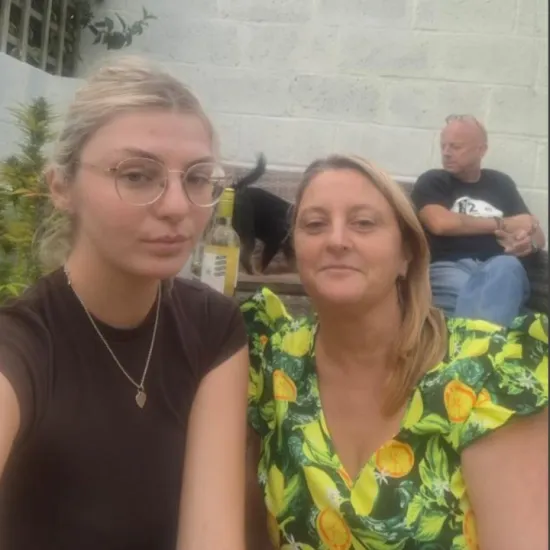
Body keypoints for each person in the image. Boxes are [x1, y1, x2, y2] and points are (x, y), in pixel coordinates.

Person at [0, 57, 248, 550]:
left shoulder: (212, 328)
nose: (177, 206)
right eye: (136, 175)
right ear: (61, 186)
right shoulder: (23, 345)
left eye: (197, 178)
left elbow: (211, 535)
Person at [242, 155, 548, 550]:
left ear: (407, 253)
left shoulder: (487, 370)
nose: (336, 240)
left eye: (364, 223)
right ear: (296, 248)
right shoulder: (271, 361)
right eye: (315, 224)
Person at [411, 114, 546, 327]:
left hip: (500, 269)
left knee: (506, 268)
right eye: (443, 146)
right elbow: (440, 223)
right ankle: (489, 337)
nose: (446, 153)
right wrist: (503, 224)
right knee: (483, 297)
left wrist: (528, 243)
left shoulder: (501, 183)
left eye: (455, 147)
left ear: (481, 150)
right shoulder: (433, 181)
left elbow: (534, 231)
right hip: (448, 266)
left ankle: (472, 340)